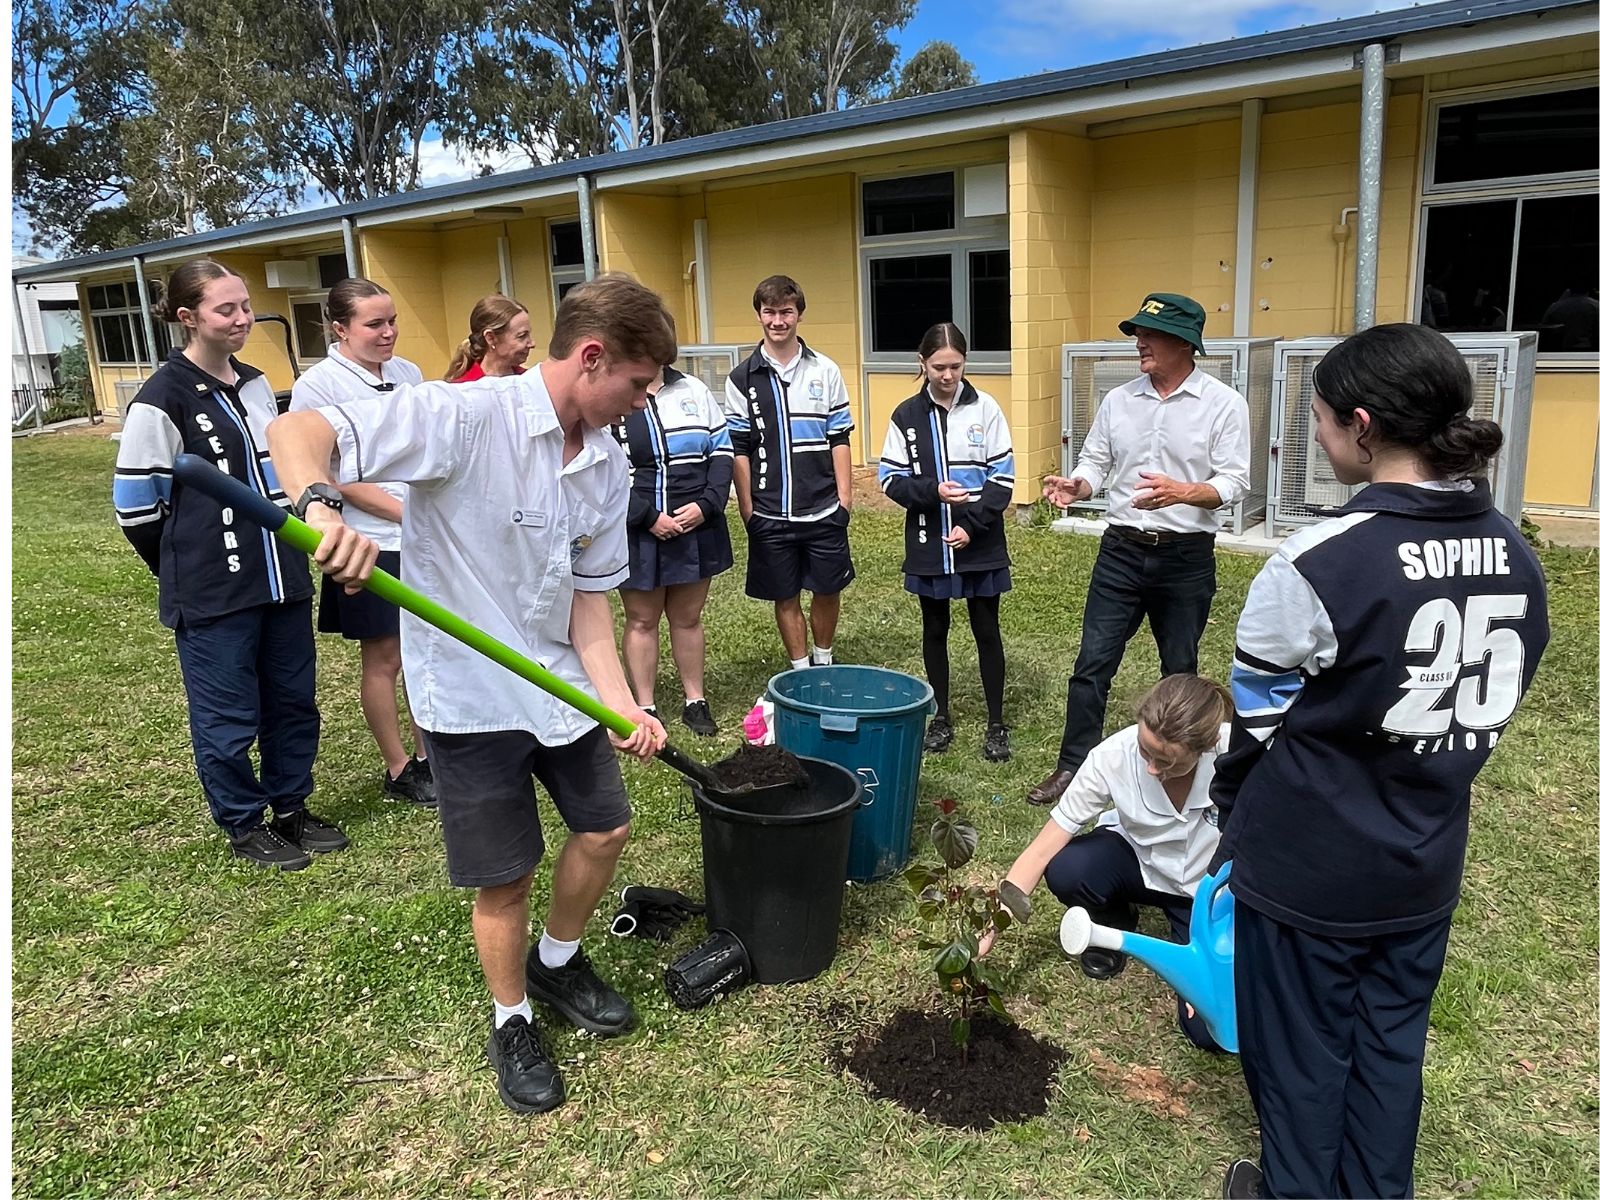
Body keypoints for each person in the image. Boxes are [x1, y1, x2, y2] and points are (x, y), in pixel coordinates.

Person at [266, 273, 673, 1116]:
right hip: (472, 692)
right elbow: (298, 426)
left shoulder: (606, 461)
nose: (642, 402)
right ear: (592, 358)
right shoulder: (462, 416)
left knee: (606, 829)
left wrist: (623, 698)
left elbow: (588, 598)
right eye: (637, 384)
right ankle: (510, 1015)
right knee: (506, 877)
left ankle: (557, 964)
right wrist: (317, 502)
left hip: (558, 683)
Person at [1213, 323, 1550, 1200]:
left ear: (1361, 426)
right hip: (1424, 862)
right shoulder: (1516, 554)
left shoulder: (1317, 561)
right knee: (1390, 1051)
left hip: (1310, 872)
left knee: (1301, 1064)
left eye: (1320, 420)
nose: (1316, 437)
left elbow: (1255, 727)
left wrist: (1235, 830)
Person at [112, 259, 343, 871]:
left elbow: (279, 470)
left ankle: (291, 806)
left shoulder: (256, 383)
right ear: (188, 317)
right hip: (215, 592)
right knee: (229, 713)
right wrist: (190, 563)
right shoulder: (161, 398)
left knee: (293, 701)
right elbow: (137, 507)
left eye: (245, 306)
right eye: (226, 309)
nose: (243, 318)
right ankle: (244, 823)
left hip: (282, 576)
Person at [1028, 292, 1249, 808]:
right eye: (1137, 334)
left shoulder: (1223, 404)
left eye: (1151, 335)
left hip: (1186, 555)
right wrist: (1077, 487)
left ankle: (1186, 767)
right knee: (1092, 664)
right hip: (1122, 551)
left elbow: (1236, 480)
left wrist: (1184, 491)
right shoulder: (1119, 400)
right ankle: (1073, 766)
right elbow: (1094, 462)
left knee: (1180, 669)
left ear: (1185, 343)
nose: (1140, 343)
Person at [982, 674, 1232, 1053]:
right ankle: (1113, 919)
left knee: (1209, 1031)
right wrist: (993, 923)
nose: (1151, 768)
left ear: (1206, 747)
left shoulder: (1236, 755)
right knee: (1069, 868)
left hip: (1210, 894)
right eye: (1146, 752)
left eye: (1165, 762)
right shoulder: (1111, 757)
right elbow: (1041, 850)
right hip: (1139, 866)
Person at [289, 277, 434, 807]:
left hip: (419, 537)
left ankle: (429, 754)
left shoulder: (408, 374)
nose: (388, 332)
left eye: (392, 320)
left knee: (427, 651)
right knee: (387, 657)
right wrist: (406, 514)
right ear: (340, 328)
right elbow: (337, 477)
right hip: (368, 542)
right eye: (375, 324)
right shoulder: (319, 386)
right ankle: (398, 767)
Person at [879, 322, 1015, 762]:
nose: (948, 375)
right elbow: (889, 480)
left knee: (986, 630)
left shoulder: (987, 408)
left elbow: (1004, 480)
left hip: (980, 540)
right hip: (929, 540)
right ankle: (940, 717)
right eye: (938, 367)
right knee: (934, 629)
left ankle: (996, 724)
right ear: (923, 364)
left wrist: (971, 525)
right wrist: (932, 491)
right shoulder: (906, 416)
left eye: (956, 366)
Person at [725, 275, 855, 671]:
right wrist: (749, 510)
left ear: (799, 314)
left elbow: (840, 437)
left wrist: (844, 502)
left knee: (827, 589)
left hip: (823, 507)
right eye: (770, 312)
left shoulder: (825, 370)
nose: (778, 321)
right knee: (785, 595)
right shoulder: (742, 378)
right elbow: (740, 448)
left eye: (786, 311)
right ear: (759, 315)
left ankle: (824, 659)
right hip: (770, 512)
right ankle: (801, 670)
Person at [615, 354, 734, 736]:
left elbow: (722, 452)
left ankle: (695, 701)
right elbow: (602, 470)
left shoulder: (694, 389)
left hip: (694, 524)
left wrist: (707, 505)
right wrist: (648, 517)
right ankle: (644, 705)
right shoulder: (617, 394)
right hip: (638, 527)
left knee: (687, 617)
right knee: (642, 619)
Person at [444, 294, 533, 382]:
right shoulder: (463, 391)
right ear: (491, 338)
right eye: (521, 336)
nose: (532, 344)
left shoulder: (530, 381)